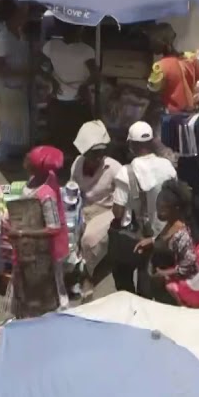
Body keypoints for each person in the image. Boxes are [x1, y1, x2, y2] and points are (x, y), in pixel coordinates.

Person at [111, 121, 177, 297]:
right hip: (164, 234)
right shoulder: (168, 166)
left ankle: (128, 299)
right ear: (152, 142)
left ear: (131, 145)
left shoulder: (126, 172)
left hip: (138, 238)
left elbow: (118, 213)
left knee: (123, 271)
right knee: (150, 280)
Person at [10, 145, 70, 312]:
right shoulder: (44, 176)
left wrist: (21, 233)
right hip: (34, 238)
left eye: (29, 158)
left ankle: (61, 310)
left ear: (36, 167)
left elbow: (53, 228)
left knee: (54, 281)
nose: (25, 159)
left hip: (48, 246)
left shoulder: (46, 195)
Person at [68, 120, 121, 298]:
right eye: (93, 154)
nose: (98, 157)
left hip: (106, 211)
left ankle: (87, 276)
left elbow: (123, 198)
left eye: (101, 153)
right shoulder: (77, 163)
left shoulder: (114, 168)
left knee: (89, 239)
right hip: (82, 208)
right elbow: (72, 188)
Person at [42, 21, 96, 168]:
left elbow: (39, 64)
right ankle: (75, 165)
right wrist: (84, 86)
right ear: (80, 30)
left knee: (59, 135)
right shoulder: (86, 50)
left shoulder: (51, 46)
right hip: (78, 100)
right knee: (78, 135)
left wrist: (51, 80)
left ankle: (59, 163)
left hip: (58, 98)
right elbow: (95, 74)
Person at [136, 179, 199, 297]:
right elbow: (165, 241)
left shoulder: (182, 235)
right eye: (158, 207)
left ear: (176, 208)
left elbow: (190, 265)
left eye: (164, 209)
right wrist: (152, 241)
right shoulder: (170, 225)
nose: (159, 212)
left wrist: (166, 273)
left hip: (171, 293)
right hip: (159, 287)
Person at [0, 0, 32, 165]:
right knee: (10, 123)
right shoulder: (3, 38)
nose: (24, 17)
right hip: (9, 87)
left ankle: (19, 152)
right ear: (10, 17)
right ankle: (4, 156)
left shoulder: (20, 33)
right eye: (20, 14)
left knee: (21, 121)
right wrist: (22, 72)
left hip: (21, 85)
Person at [146, 23, 199, 115]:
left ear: (160, 44)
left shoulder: (160, 67)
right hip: (192, 113)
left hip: (172, 115)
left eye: (153, 42)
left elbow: (152, 90)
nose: (151, 45)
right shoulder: (191, 58)